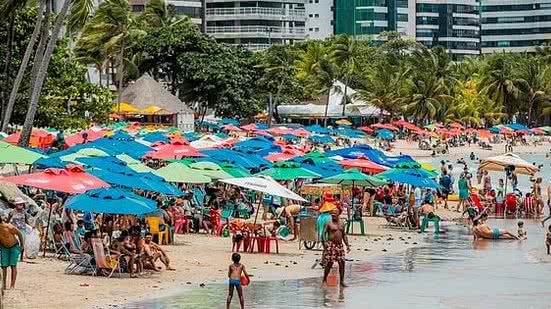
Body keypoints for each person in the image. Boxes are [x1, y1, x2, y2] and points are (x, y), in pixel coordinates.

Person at [322, 208, 351, 287]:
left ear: (339, 214)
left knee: (342, 263)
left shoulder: (342, 223)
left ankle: (342, 281)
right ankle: (324, 279)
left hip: (339, 245)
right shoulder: (328, 223)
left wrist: (347, 245)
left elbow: (344, 235)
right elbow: (323, 233)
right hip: (331, 244)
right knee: (329, 263)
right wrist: (325, 242)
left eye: (335, 214)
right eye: (332, 214)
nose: (333, 215)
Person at [0, 216, 25, 289]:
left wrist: (22, 245)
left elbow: (19, 234)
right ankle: (4, 285)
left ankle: (12, 285)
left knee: (13, 265)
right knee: (4, 266)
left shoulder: (9, 227)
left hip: (14, 246)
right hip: (4, 247)